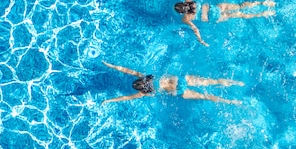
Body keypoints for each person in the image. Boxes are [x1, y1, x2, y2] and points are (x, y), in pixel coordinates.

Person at [101, 61, 243, 105]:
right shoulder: (146, 76)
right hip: (179, 80)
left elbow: (125, 98)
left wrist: (108, 101)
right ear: (141, 81)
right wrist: (111, 66)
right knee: (212, 81)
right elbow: (126, 70)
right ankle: (236, 82)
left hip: (179, 92)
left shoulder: (143, 93)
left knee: (205, 96)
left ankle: (231, 102)